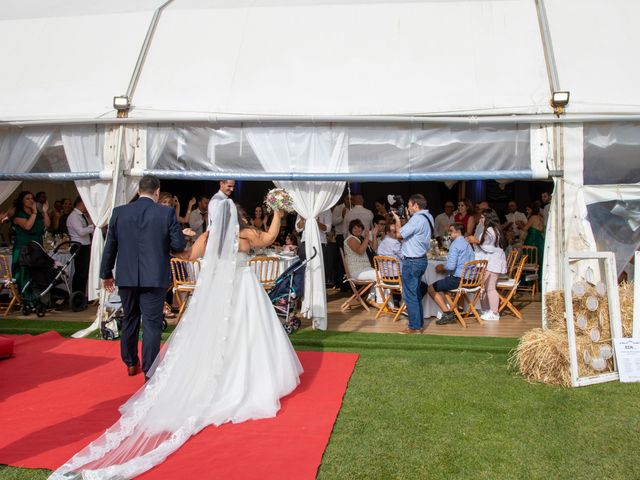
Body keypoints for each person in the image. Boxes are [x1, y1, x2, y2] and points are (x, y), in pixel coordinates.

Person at [50, 199, 302, 480]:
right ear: (238, 215)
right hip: (246, 294)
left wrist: (183, 241)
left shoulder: (208, 238)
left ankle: (199, 375)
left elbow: (187, 258)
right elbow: (269, 237)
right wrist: (278, 214)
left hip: (217, 298)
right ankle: (246, 379)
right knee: (249, 338)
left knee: (216, 339)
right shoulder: (245, 236)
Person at [100, 175, 187, 381]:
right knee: (151, 323)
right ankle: (150, 370)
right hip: (154, 276)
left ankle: (130, 362)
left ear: (139, 191)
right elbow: (179, 246)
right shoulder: (165, 213)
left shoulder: (119, 212)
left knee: (130, 318)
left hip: (127, 276)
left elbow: (110, 246)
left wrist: (106, 273)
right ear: (157, 192)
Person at [391, 194, 434, 334]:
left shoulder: (416, 219)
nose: (408, 208)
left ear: (416, 206)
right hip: (421, 259)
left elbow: (399, 235)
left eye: (409, 205)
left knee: (410, 295)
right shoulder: (428, 217)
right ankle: (418, 325)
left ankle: (414, 327)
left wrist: (397, 220)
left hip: (412, 261)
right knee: (414, 293)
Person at [428, 223, 474, 325]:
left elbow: (451, 266)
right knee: (449, 281)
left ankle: (447, 313)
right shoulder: (467, 244)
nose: (449, 233)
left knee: (431, 288)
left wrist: (442, 267)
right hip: (470, 279)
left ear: (457, 232)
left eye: (451, 231)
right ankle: (460, 310)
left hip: (459, 279)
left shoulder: (455, 244)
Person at [468, 208, 507, 321]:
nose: (480, 219)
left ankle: (494, 313)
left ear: (488, 218)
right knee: (484, 287)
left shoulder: (491, 230)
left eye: (482, 217)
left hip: (493, 261)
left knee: (490, 288)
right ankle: (486, 310)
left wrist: (475, 241)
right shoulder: (491, 229)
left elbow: (488, 246)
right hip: (491, 260)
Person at [11, 191, 50, 291]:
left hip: (36, 247)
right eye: (27, 198)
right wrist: (35, 213)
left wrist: (44, 212)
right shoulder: (19, 214)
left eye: (32, 198)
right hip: (23, 248)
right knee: (24, 273)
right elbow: (28, 226)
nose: (31, 200)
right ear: (22, 201)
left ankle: (36, 298)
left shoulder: (37, 213)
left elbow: (47, 225)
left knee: (37, 273)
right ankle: (26, 298)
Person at [343, 219, 383, 303]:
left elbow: (374, 247)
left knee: (381, 274)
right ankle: (380, 302)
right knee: (380, 275)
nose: (357, 230)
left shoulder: (361, 238)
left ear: (362, 229)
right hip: (356, 271)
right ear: (351, 229)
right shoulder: (351, 239)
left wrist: (374, 235)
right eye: (355, 228)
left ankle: (371, 298)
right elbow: (360, 251)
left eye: (359, 228)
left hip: (364, 269)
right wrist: (367, 237)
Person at [66, 197, 95, 300]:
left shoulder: (82, 216)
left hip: (86, 245)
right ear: (81, 203)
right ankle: (77, 296)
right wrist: (93, 226)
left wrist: (91, 221)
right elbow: (81, 232)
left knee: (84, 273)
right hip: (79, 246)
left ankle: (82, 295)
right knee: (80, 273)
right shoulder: (74, 216)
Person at [517, 201, 545, 279]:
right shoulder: (541, 218)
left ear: (532, 209)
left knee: (530, 260)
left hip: (532, 240)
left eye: (528, 209)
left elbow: (525, 229)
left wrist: (519, 224)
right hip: (540, 240)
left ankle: (529, 280)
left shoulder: (533, 217)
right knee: (538, 261)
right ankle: (538, 281)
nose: (527, 211)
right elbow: (542, 229)